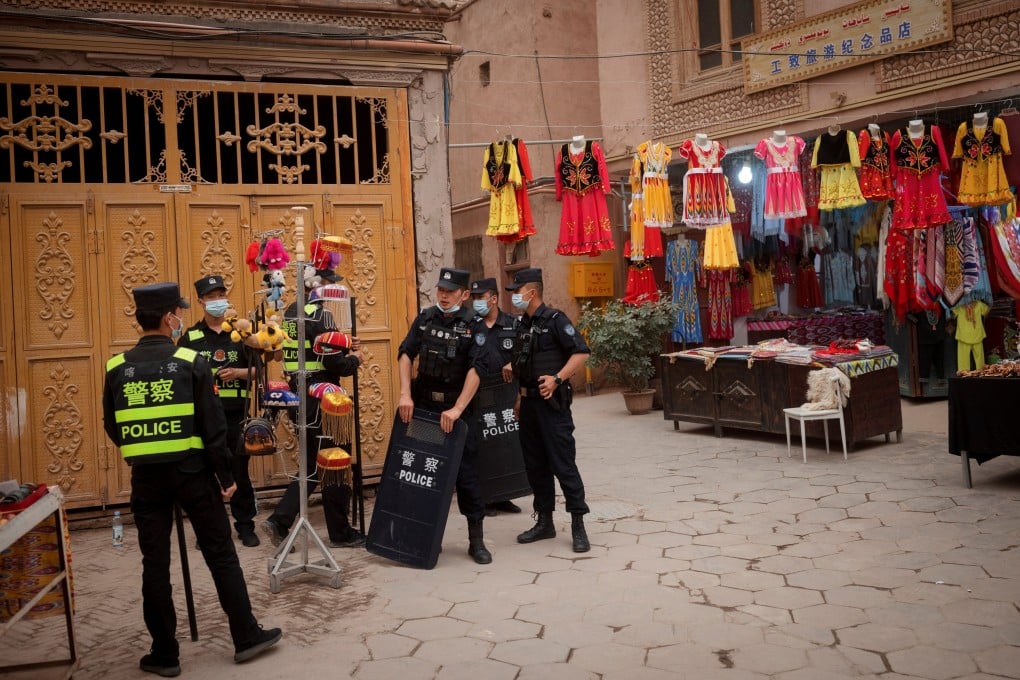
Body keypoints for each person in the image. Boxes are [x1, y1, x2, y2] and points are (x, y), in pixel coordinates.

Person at [102, 282, 281, 677]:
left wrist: (149, 447)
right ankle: (245, 636)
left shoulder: (116, 367)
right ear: (169, 317)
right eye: (177, 311)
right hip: (193, 475)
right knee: (220, 553)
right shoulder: (189, 361)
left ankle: (164, 653)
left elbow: (112, 427)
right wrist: (225, 476)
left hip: (146, 478)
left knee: (155, 563)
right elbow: (213, 426)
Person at [262, 268, 365, 549]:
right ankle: (340, 532)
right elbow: (336, 364)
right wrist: (355, 358)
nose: (334, 291)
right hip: (324, 401)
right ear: (318, 285)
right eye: (331, 283)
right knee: (334, 462)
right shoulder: (322, 315)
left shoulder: (293, 312)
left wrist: (343, 343)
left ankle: (280, 520)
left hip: (299, 396)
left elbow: (312, 350)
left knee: (311, 464)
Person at [396, 267, 490, 564]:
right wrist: (404, 394)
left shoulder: (474, 325)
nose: (444, 295)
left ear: (464, 294)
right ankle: (425, 537)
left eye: (450, 291)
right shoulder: (425, 318)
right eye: (441, 289)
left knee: (467, 477)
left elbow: (477, 369)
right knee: (424, 471)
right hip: (426, 411)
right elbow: (405, 353)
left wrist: (458, 408)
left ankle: (476, 541)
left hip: (458, 414)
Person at [507, 268, 592, 552]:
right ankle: (545, 522)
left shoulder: (556, 320)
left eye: (517, 292)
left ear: (531, 292)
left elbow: (581, 352)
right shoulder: (522, 324)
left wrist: (557, 379)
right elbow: (524, 364)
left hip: (552, 406)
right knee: (536, 467)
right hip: (528, 405)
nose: (514, 297)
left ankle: (578, 524)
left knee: (563, 464)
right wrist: (519, 398)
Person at [177, 275, 259, 547]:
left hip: (236, 414)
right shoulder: (191, 338)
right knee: (206, 474)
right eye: (212, 297)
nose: (218, 300)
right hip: (204, 418)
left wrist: (238, 372)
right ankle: (211, 529)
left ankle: (245, 526)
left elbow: (260, 370)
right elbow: (180, 377)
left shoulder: (241, 334)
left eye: (221, 294)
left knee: (239, 471)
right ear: (201, 302)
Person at [469, 277, 523, 516]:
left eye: (480, 298)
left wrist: (514, 363)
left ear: (493, 298)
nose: (477, 302)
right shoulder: (471, 326)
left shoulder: (513, 324)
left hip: (507, 393)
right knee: (482, 446)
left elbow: (527, 352)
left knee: (506, 444)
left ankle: (504, 496)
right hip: (479, 394)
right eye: (474, 298)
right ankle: (485, 498)